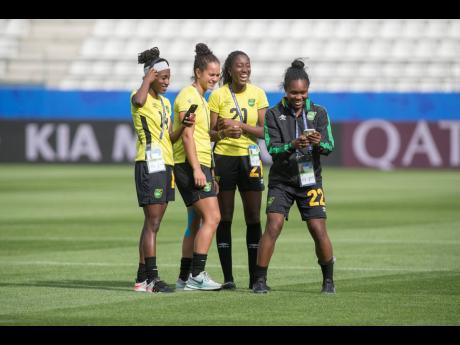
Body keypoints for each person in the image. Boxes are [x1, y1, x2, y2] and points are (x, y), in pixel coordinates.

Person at [253, 59, 336, 294]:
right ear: (286, 91)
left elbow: (330, 146)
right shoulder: (273, 114)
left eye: (303, 92)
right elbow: (273, 150)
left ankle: (328, 280)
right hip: (282, 181)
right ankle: (260, 280)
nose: (298, 96)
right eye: (293, 92)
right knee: (273, 225)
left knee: (317, 228)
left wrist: (319, 143)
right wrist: (292, 145)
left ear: (308, 90)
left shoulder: (319, 112)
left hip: (310, 180)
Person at [131, 46, 194, 293]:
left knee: (152, 223)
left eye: (169, 77)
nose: (167, 81)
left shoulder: (166, 104)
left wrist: (183, 126)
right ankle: (152, 280)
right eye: (163, 77)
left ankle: (141, 277)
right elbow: (138, 99)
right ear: (151, 76)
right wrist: (149, 76)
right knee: (153, 222)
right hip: (149, 163)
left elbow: (170, 136)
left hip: (165, 164)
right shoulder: (139, 96)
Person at [208, 50, 269, 290]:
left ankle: (257, 278)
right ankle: (229, 278)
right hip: (224, 158)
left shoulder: (258, 94)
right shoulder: (218, 95)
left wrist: (241, 126)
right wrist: (224, 133)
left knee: (253, 218)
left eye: (247, 65)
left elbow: (266, 131)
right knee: (225, 218)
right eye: (239, 66)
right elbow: (210, 132)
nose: (244, 70)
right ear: (230, 70)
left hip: (251, 160)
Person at [173, 43, 222, 291]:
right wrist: (196, 169)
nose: (215, 79)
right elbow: (187, 136)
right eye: (211, 74)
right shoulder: (188, 96)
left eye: (218, 75)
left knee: (195, 221)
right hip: (189, 164)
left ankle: (184, 278)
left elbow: (201, 136)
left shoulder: (202, 99)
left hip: (201, 163)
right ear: (198, 72)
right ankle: (197, 275)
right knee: (213, 217)